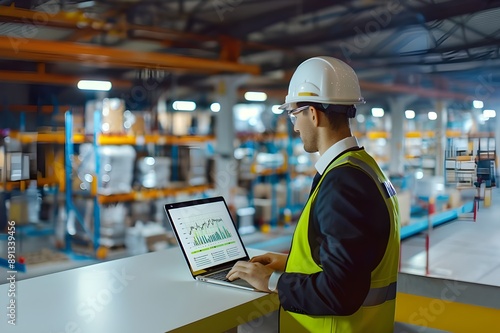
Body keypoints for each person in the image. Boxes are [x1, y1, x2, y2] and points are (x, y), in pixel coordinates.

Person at [227, 56, 401, 332]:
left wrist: (271, 282)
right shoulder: (364, 167)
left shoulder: (343, 182)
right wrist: (289, 262)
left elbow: (340, 293)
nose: (294, 126)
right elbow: (356, 259)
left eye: (294, 115)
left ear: (313, 113)